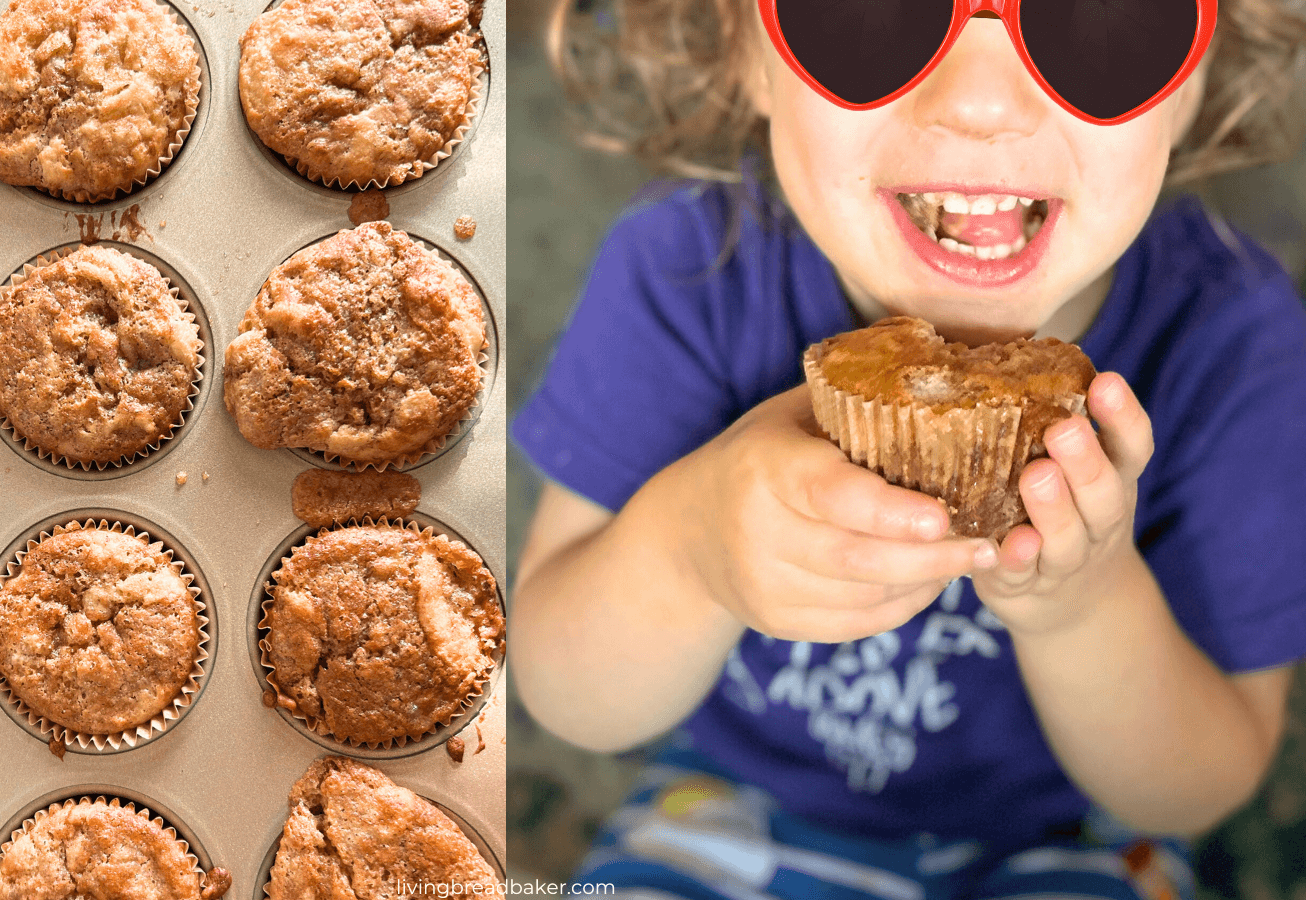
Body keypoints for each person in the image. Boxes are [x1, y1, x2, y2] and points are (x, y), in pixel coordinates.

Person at [511, 1, 1306, 898]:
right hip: (737, 804)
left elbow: (1197, 786)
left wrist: (1083, 607)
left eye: (1096, 18)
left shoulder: (1234, 340)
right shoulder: (687, 266)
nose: (980, 104)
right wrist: (691, 549)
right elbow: (564, 692)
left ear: (1190, 79)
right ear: (745, 48)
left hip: (1071, 835)